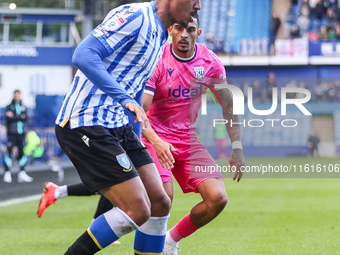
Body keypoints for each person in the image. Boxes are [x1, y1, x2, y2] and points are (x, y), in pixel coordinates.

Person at [54, 1, 201, 254]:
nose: (198, 5)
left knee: (159, 202)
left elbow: (133, 91)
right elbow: (84, 54)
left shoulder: (160, 35)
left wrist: (147, 138)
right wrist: (124, 99)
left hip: (119, 126)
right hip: (87, 122)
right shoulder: (136, 16)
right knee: (137, 208)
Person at [142, 15, 245, 254]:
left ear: (197, 33)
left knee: (217, 199)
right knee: (163, 198)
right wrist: (157, 142)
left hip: (187, 140)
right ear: (171, 30)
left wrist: (237, 146)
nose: (184, 34)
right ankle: (150, 249)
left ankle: (170, 241)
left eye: (190, 29)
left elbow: (228, 105)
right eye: (179, 28)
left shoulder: (210, 63)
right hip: (153, 137)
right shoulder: (157, 59)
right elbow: (141, 113)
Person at [3, 90, 33, 183]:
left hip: (21, 134)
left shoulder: (23, 106)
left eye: (18, 95)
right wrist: (20, 117)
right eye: (16, 95)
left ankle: (22, 172)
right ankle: (7, 173)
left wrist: (15, 117)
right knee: (9, 152)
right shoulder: (9, 106)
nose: (17, 97)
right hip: (12, 133)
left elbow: (26, 118)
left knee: (21, 152)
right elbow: (9, 119)